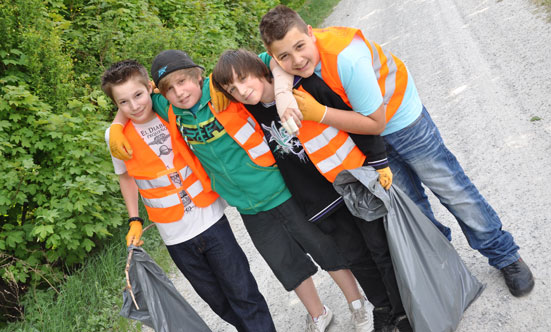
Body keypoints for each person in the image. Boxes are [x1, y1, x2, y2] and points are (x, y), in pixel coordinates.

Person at [258, 4, 535, 298]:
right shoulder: (285, 57)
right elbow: (269, 63)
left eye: (300, 47)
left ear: (311, 33)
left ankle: (505, 255)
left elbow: (375, 123)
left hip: (402, 121)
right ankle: (446, 265)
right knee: (411, 206)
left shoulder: (346, 57)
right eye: (285, 56)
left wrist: (320, 113)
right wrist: (283, 91)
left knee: (453, 189)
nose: (297, 60)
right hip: (365, 138)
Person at [108, 51, 374, 332]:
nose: (179, 92)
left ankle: (357, 303)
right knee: (285, 264)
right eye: (169, 89)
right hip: (247, 207)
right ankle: (319, 313)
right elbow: (135, 100)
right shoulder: (169, 108)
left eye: (183, 81)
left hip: (282, 190)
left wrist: (282, 92)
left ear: (199, 75)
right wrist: (116, 125)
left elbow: (269, 58)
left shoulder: (223, 89)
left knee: (324, 248)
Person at [211, 48, 413, 332]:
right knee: (356, 256)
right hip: (318, 200)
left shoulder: (302, 89)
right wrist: (215, 80)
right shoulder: (249, 109)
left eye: (244, 79)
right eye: (232, 88)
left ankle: (403, 310)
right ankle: (381, 307)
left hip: (348, 182)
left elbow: (272, 58)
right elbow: (192, 97)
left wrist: (377, 161)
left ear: (260, 71)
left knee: (380, 248)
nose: (241, 91)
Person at [100, 59, 276, 332]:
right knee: (219, 303)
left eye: (138, 95)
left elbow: (196, 89)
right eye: (123, 102)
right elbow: (126, 177)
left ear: (151, 88)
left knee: (244, 292)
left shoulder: (171, 108)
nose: (134, 106)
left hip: (211, 220)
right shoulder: (117, 136)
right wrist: (134, 218)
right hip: (175, 235)